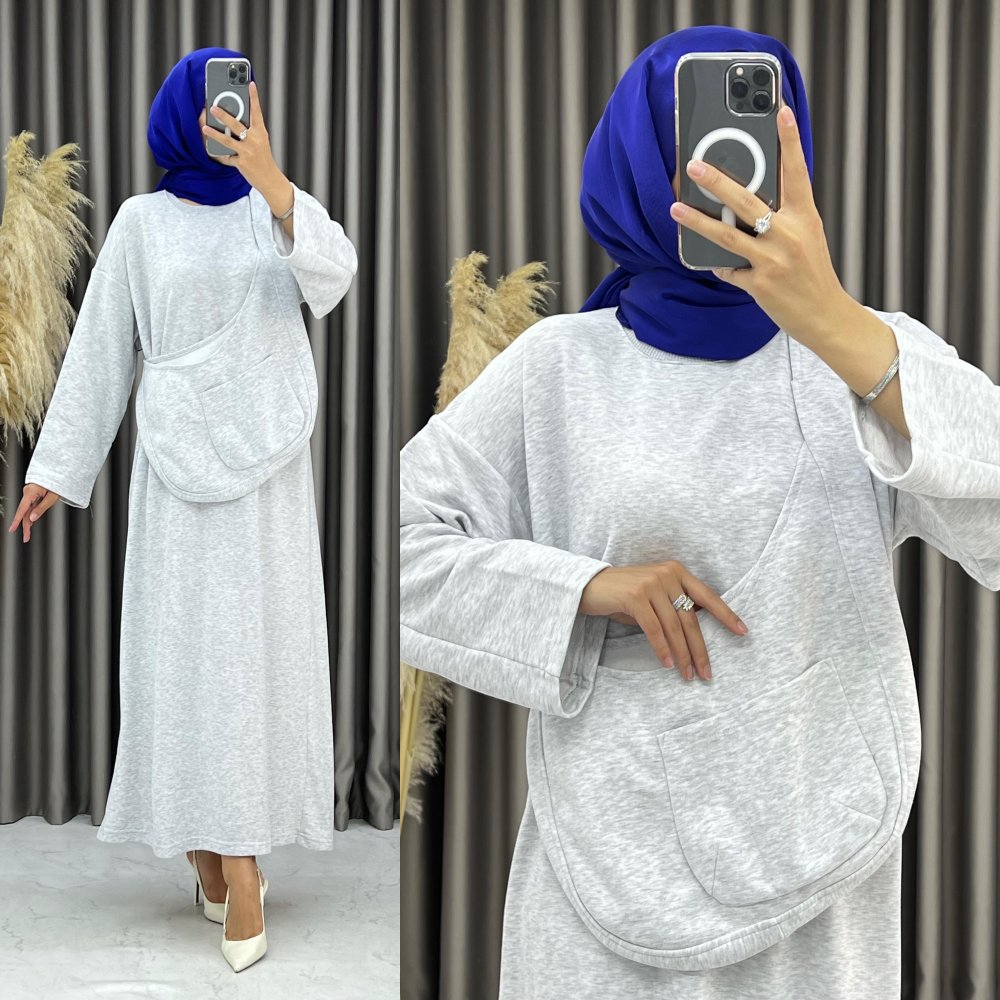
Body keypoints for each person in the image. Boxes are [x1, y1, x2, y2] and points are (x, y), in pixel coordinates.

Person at [398, 25, 1000, 999]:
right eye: (693, 138)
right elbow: (397, 550)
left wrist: (841, 328)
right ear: (637, 159)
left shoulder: (866, 356)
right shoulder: (561, 366)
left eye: (752, 129)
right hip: (605, 861)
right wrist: (584, 588)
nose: (727, 167)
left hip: (820, 859)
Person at [7, 47, 357, 973]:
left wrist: (272, 180)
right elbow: (101, 347)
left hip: (267, 481)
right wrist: (59, 465)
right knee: (186, 662)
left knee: (253, 661)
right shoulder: (141, 222)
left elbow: (335, 277)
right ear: (178, 113)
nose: (227, 115)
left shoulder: (276, 209)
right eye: (211, 103)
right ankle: (208, 847)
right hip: (174, 477)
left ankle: (241, 865)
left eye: (240, 100)